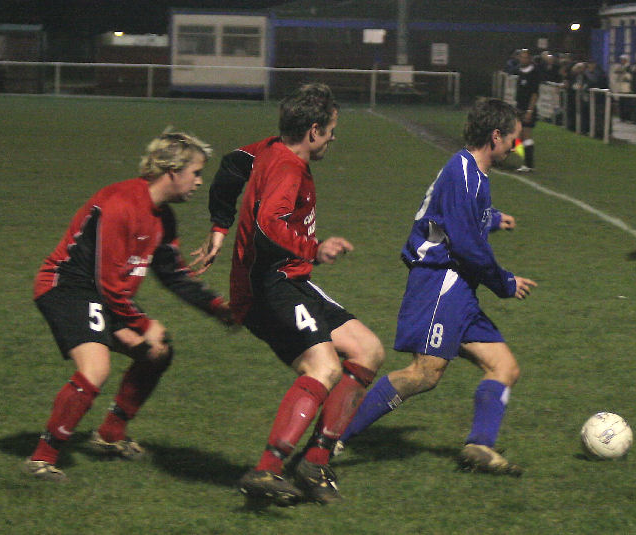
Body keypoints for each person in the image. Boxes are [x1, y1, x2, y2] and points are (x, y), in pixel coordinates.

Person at [189, 83, 385, 505]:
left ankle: (314, 465)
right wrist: (314, 248)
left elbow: (230, 165)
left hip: (291, 279)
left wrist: (219, 227)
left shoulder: (267, 148)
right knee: (323, 366)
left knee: (368, 349)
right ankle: (267, 470)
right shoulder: (288, 165)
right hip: (268, 286)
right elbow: (267, 223)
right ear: (313, 130)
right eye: (331, 129)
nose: (333, 137)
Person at [335, 97, 536, 476]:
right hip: (441, 280)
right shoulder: (465, 174)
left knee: (504, 367)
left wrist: (492, 218)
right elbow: (467, 247)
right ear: (495, 136)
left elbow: (453, 218)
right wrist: (506, 282)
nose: (515, 145)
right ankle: (333, 435)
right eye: (512, 138)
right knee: (424, 372)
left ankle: (478, 446)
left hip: (459, 287)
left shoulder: (470, 172)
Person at [24, 131, 233, 482]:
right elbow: (106, 283)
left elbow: (173, 274)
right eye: (195, 172)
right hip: (68, 287)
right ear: (172, 170)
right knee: (96, 367)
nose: (199, 181)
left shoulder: (162, 217)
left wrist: (217, 307)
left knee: (157, 352)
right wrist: (141, 323)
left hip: (101, 295)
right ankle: (42, 458)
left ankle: (109, 435)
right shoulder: (121, 202)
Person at [514, 49, 541, 172]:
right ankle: (524, 160)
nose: (522, 59)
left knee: (526, 135)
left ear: (529, 58)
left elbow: (535, 93)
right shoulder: (520, 71)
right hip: (520, 107)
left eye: (525, 57)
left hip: (527, 109)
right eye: (521, 57)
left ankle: (528, 164)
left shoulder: (534, 72)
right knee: (518, 137)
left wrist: (530, 110)